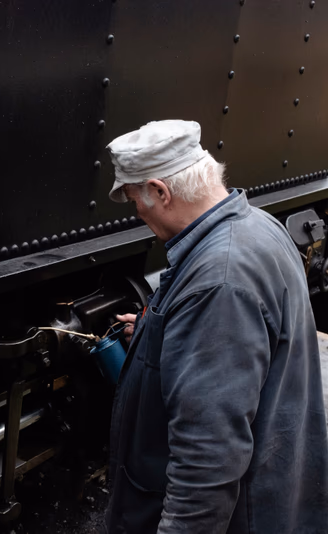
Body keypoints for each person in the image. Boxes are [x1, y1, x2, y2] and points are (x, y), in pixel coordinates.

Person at [103, 120, 328, 533]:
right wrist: (158, 333)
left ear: (160, 191)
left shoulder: (220, 282)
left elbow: (207, 459)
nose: (138, 213)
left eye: (136, 199)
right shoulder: (257, 225)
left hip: (247, 513)